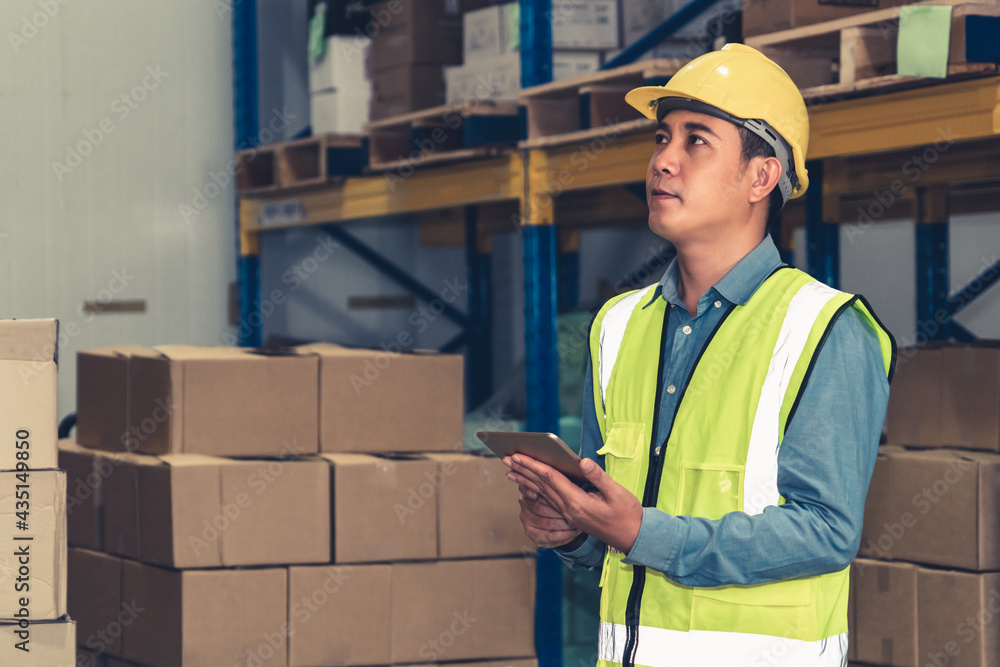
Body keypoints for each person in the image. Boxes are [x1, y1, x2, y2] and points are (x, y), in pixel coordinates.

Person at [503, 43, 896, 667]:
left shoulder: (824, 328)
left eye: (697, 141)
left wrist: (642, 533)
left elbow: (826, 531)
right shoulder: (617, 327)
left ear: (761, 177)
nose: (663, 161)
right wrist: (575, 529)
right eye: (662, 138)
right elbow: (620, 523)